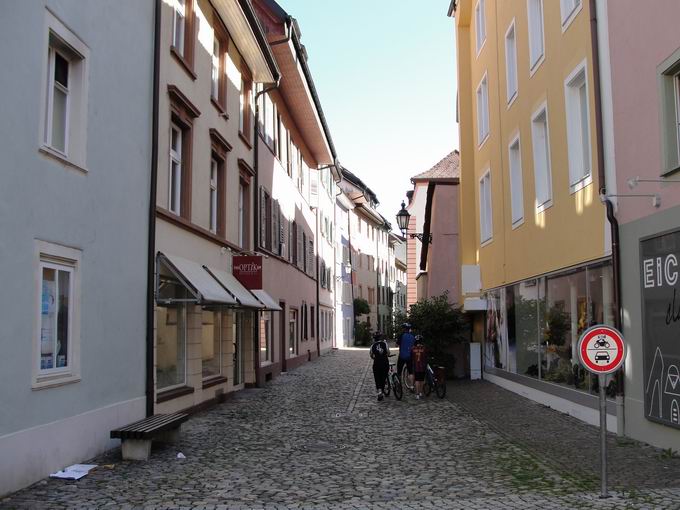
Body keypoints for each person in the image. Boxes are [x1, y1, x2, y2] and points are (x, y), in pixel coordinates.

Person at [370, 331, 390, 401]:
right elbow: (388, 352)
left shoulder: (372, 346)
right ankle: (382, 389)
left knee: (377, 377)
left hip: (377, 363)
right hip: (385, 363)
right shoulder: (385, 343)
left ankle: (379, 392)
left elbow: (371, 355)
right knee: (383, 377)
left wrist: (376, 357)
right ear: (381, 337)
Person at [396, 323, 415, 388]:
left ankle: (399, 385)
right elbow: (413, 346)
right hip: (409, 356)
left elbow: (397, 345)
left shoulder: (401, 335)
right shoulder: (413, 336)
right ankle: (412, 386)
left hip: (402, 356)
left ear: (404, 329)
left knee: (399, 371)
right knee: (410, 372)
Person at [411, 335, 428, 400]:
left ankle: (417, 394)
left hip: (416, 367)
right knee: (422, 380)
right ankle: (421, 393)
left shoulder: (413, 348)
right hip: (422, 366)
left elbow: (411, 357)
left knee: (417, 380)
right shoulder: (424, 348)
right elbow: (426, 357)